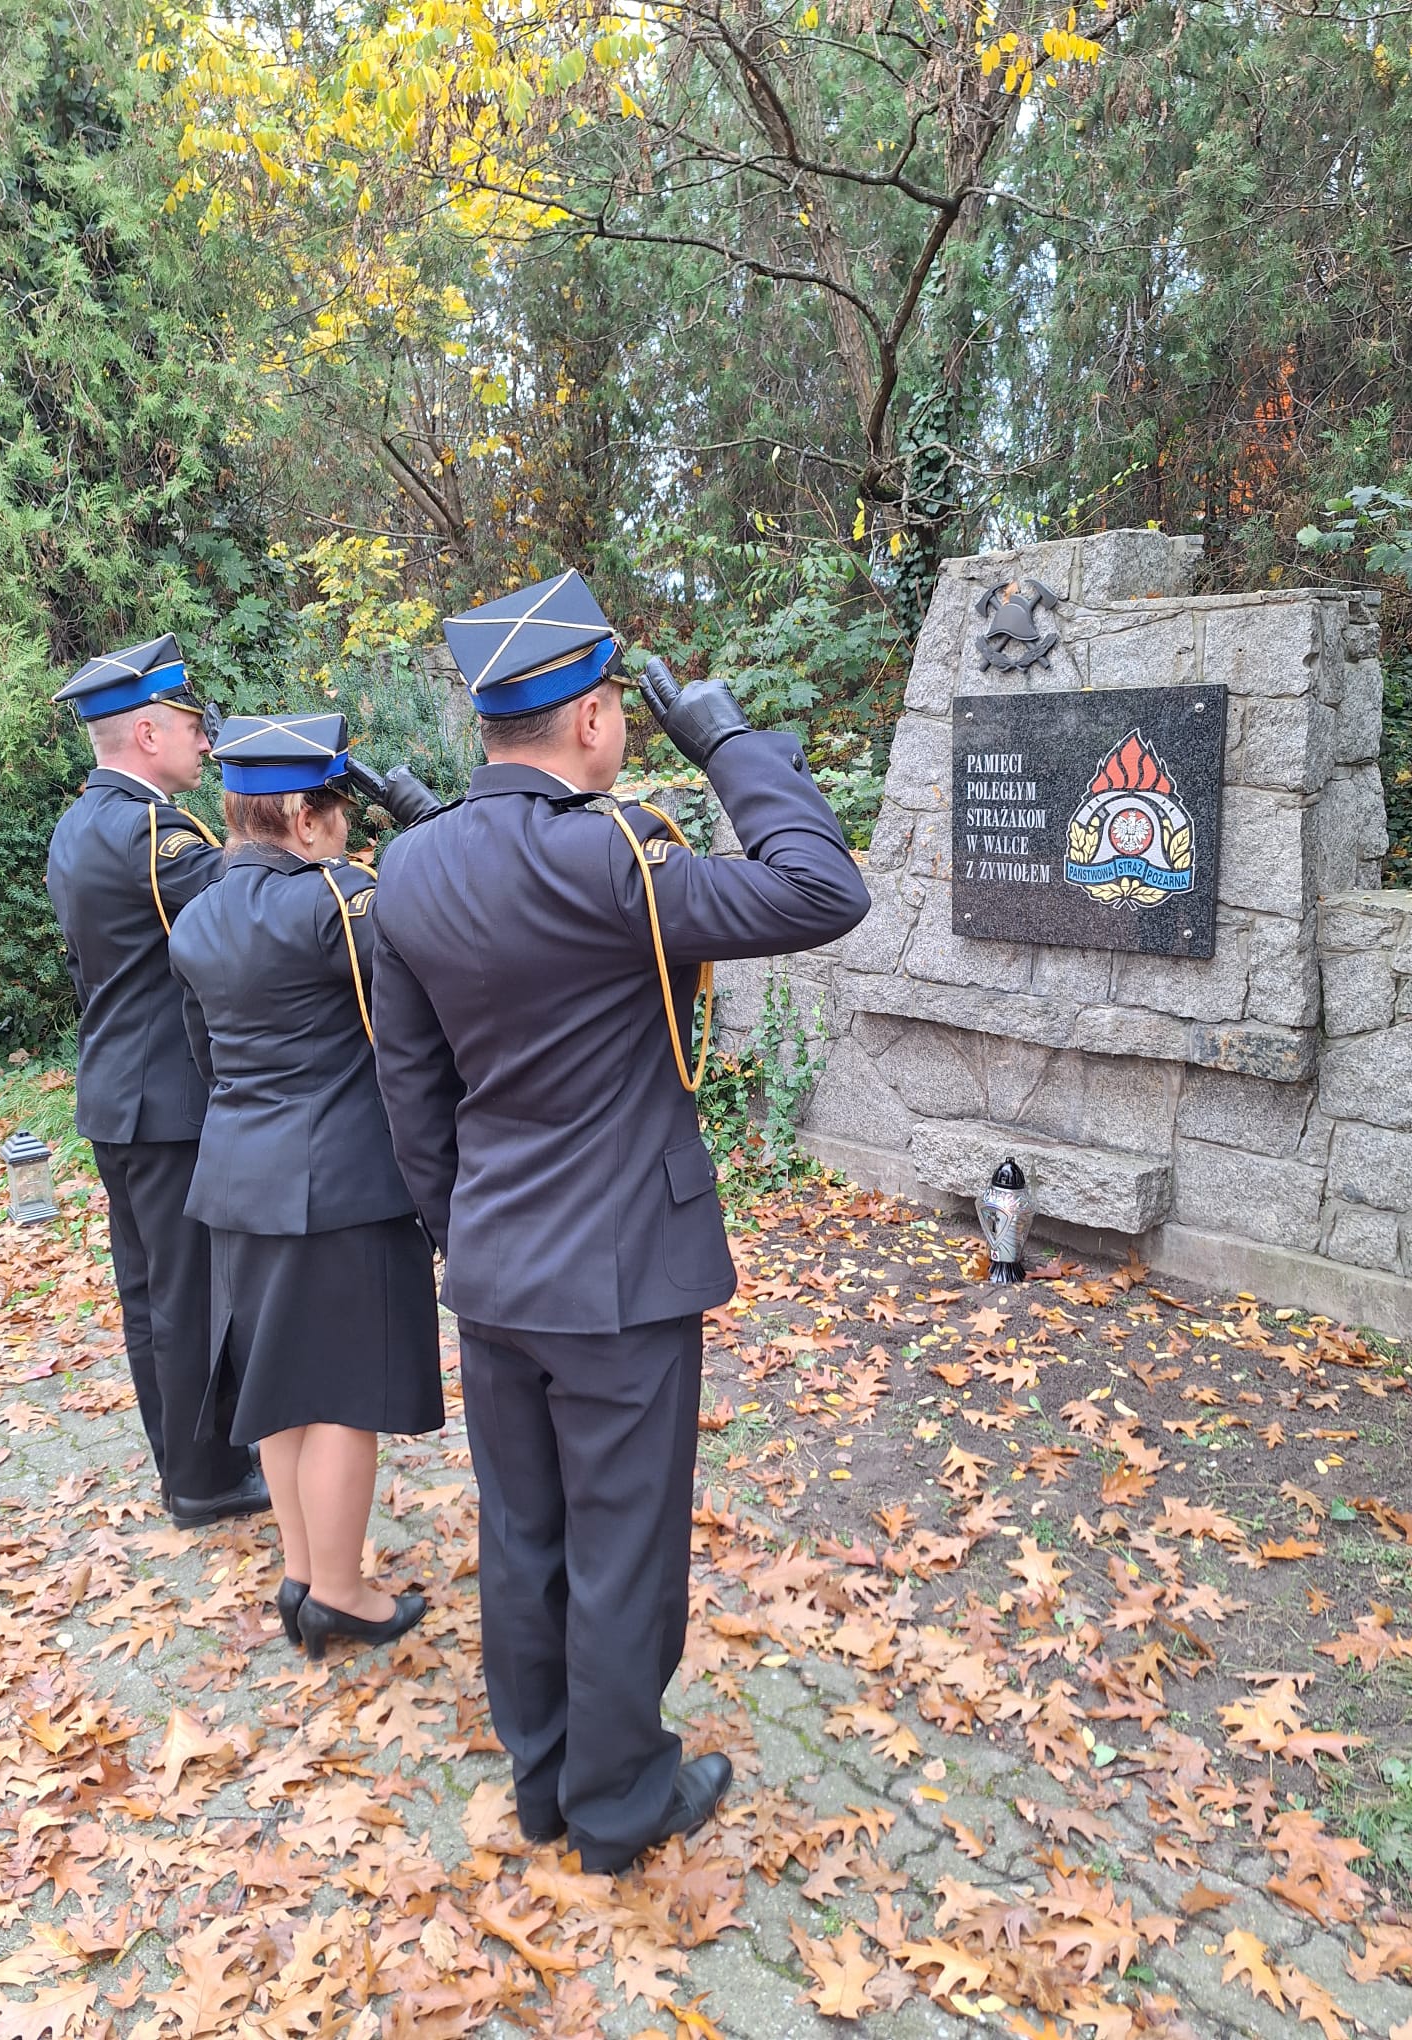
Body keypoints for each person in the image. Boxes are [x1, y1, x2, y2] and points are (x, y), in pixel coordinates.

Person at [370, 570, 870, 1873]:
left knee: (522, 1534)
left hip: (493, 1263)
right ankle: (617, 1803)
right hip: (621, 1271)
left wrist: (467, 1230)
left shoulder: (407, 867)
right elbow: (823, 890)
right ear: (592, 718)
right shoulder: (615, 859)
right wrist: (728, 742)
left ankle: (544, 1780)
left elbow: (411, 1094)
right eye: (624, 714)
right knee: (622, 1547)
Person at [167, 713, 444, 1662]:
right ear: (301, 815)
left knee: (281, 1387)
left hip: (237, 1178)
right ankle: (341, 1592)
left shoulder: (197, 916)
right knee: (343, 1395)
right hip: (339, 1184)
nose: (344, 829)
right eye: (336, 812)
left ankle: (301, 1572)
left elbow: (206, 1056)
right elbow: (429, 993)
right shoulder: (339, 903)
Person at [46, 636, 267, 1530]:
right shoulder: (153, 835)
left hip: (113, 1091)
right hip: (169, 1101)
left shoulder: (76, 826)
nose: (204, 741)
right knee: (191, 1297)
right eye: (190, 724)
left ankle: (182, 1462)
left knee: (149, 1297)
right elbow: (248, 911)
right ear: (146, 734)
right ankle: (208, 1477)